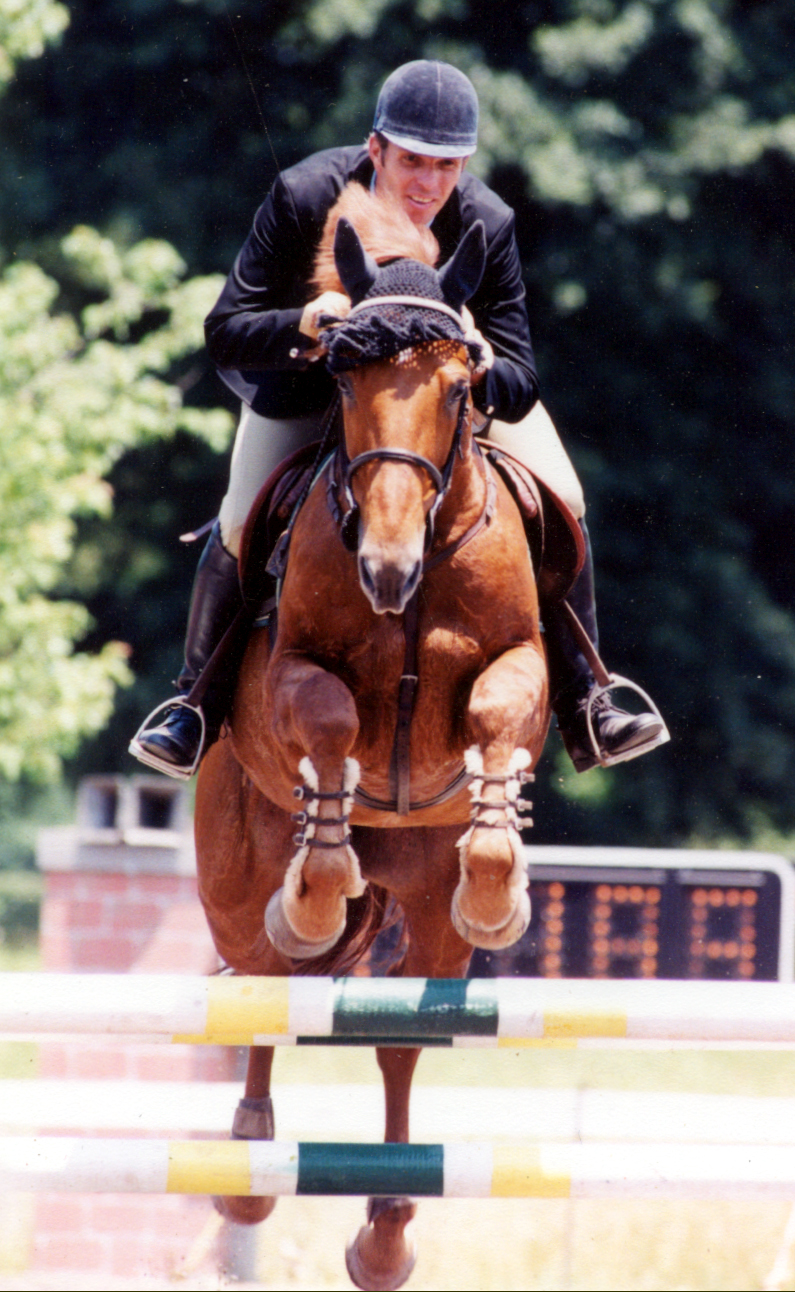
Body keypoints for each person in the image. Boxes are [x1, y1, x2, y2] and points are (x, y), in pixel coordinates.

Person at [130, 60, 666, 780]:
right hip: (315, 391)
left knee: (564, 496)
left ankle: (589, 699)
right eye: (412, 161)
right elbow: (225, 330)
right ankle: (193, 704)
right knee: (237, 516)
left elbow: (519, 376)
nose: (427, 185)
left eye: (446, 167)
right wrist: (304, 323)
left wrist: (476, 358)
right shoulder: (303, 194)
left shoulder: (486, 220)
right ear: (375, 148)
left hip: (441, 402)